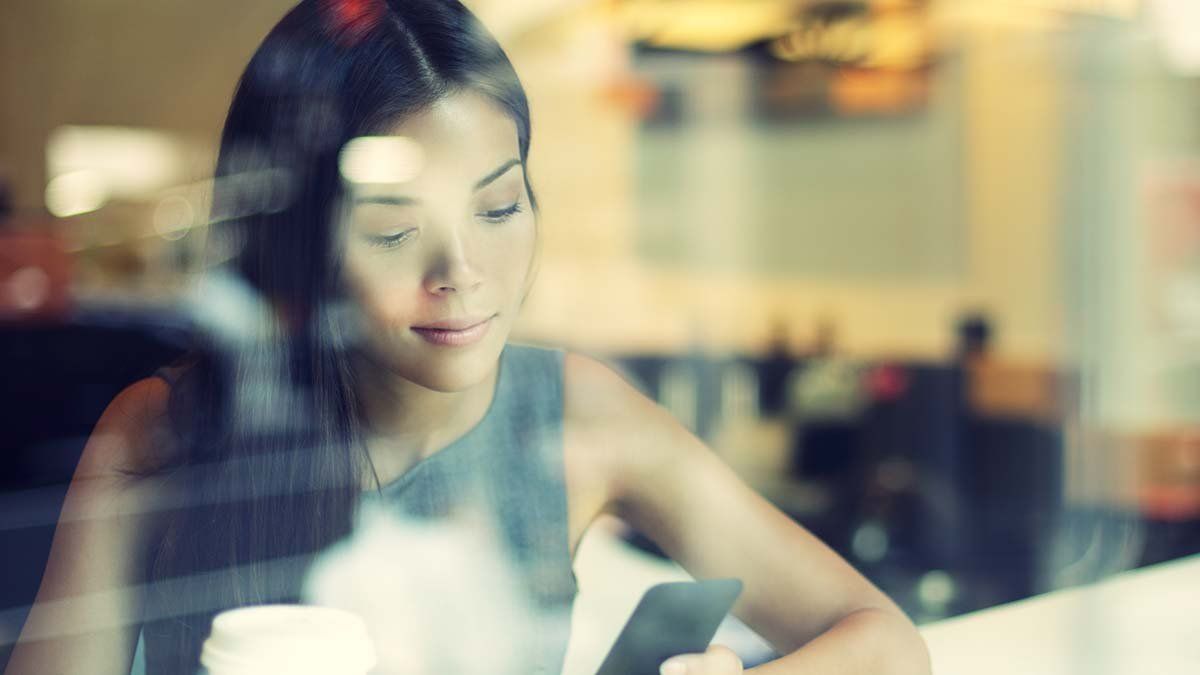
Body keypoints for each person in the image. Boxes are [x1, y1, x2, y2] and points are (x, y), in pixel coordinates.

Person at [5, 1, 930, 674]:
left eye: (498, 206)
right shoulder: (162, 431)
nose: (462, 270)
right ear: (299, 244)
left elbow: (884, 639)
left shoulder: (582, 417)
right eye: (394, 230)